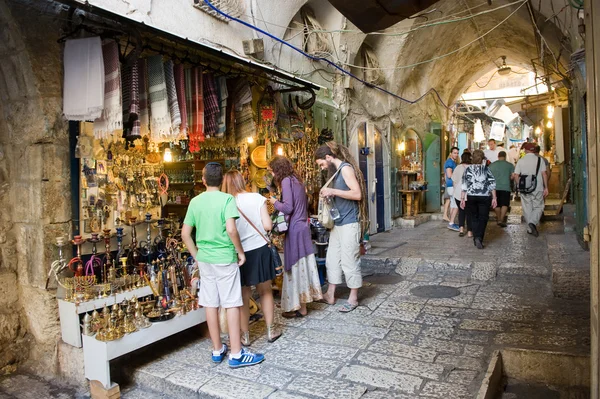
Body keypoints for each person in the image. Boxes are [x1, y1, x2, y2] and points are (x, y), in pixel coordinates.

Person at [181, 162, 264, 368]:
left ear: (203, 180)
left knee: (210, 303)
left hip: (206, 259)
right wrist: (240, 251)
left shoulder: (195, 201)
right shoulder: (227, 199)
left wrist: (197, 256)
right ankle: (236, 354)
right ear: (221, 180)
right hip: (225, 258)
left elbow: (185, 234)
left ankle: (217, 349)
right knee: (231, 303)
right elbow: (231, 230)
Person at [222, 170, 281, 345]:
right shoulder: (257, 198)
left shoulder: (227, 202)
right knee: (265, 291)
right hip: (260, 249)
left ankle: (245, 335)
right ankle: (271, 331)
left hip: (239, 253)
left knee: (243, 296)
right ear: (242, 180)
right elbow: (268, 225)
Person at [267, 156, 322, 318]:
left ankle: (298, 306)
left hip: (295, 228)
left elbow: (288, 207)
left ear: (278, 169)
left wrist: (274, 202)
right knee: (301, 266)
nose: (272, 175)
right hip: (302, 226)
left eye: (272, 171)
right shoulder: (296, 180)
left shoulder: (285, 181)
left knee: (295, 267)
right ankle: (300, 305)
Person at [315, 142, 366, 313]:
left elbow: (357, 194)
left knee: (349, 260)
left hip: (350, 222)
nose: (322, 168)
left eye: (322, 164)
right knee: (332, 260)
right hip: (337, 224)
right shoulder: (335, 173)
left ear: (328, 157)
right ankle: (330, 294)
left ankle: (353, 298)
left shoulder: (346, 169)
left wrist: (333, 192)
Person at [460, 150, 497, 249]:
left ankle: (476, 237)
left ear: (473, 158)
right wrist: (494, 198)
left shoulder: (468, 169)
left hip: (471, 196)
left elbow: (464, 185)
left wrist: (462, 198)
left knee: (474, 217)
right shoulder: (486, 169)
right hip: (485, 196)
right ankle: (479, 237)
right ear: (482, 158)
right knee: (483, 218)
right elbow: (492, 184)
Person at [513, 142, 548, 237]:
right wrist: (546, 187)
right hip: (538, 187)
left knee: (527, 207)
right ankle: (532, 223)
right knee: (539, 206)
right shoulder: (540, 160)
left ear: (526, 150)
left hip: (525, 188)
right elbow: (544, 174)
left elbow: (516, 175)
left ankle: (530, 227)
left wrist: (519, 186)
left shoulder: (521, 160)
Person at [489, 151, 515, 228]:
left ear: (498, 156)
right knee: (505, 204)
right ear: (505, 156)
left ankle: (498, 218)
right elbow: (513, 176)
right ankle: (501, 219)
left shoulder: (492, 165)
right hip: (505, 187)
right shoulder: (510, 165)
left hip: (494, 188)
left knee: (496, 203)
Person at [452, 152, 472, 237]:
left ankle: (461, 229)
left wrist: (456, 190)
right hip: (470, 194)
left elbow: (454, 181)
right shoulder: (473, 168)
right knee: (470, 213)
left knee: (461, 211)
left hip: (458, 193)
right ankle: (470, 232)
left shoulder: (458, 167)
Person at [443, 147, 460, 231]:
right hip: (452, 185)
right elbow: (449, 175)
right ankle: (451, 223)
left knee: (453, 204)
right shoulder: (450, 162)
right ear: (450, 153)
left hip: (451, 185)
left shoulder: (452, 162)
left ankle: (452, 222)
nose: (456, 155)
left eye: (457, 153)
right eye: (454, 153)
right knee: (455, 204)